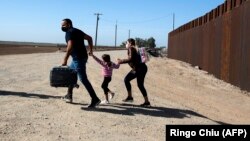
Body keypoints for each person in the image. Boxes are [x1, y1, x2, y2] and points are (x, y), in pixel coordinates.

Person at [60, 18, 101, 108]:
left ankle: (95, 99)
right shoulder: (77, 31)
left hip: (78, 58)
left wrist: (65, 59)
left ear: (69, 24)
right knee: (70, 75)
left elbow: (70, 46)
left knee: (83, 79)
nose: (61, 27)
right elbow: (89, 38)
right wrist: (91, 50)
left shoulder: (69, 32)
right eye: (61, 25)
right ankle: (69, 96)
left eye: (63, 25)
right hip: (79, 58)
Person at [117, 38, 151, 107]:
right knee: (140, 85)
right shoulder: (135, 48)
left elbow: (131, 59)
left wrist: (121, 61)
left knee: (126, 80)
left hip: (138, 69)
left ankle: (130, 97)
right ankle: (146, 102)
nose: (126, 44)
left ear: (130, 43)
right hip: (142, 68)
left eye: (126, 43)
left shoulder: (131, 48)